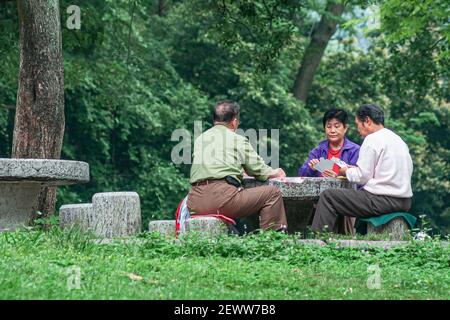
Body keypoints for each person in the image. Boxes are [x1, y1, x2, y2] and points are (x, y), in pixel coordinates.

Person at [311, 104, 413, 234]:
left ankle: (317, 241)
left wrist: (344, 170)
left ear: (367, 121)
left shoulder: (372, 139)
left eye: (358, 124)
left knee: (329, 196)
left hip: (384, 199)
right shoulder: (397, 139)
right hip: (405, 201)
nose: (358, 129)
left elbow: (362, 177)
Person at [187, 100, 288, 231]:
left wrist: (237, 171)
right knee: (272, 193)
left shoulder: (201, 138)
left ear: (214, 120)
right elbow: (259, 170)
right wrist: (276, 172)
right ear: (234, 121)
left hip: (195, 202)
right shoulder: (237, 139)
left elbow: (215, 168)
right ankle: (271, 242)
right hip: (221, 200)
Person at [298, 108, 360, 235]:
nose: (332, 130)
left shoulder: (355, 150)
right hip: (318, 199)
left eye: (337, 126)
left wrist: (338, 176)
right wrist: (312, 168)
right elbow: (302, 174)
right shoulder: (319, 150)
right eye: (328, 126)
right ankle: (308, 237)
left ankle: (346, 238)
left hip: (346, 199)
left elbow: (360, 178)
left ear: (345, 128)